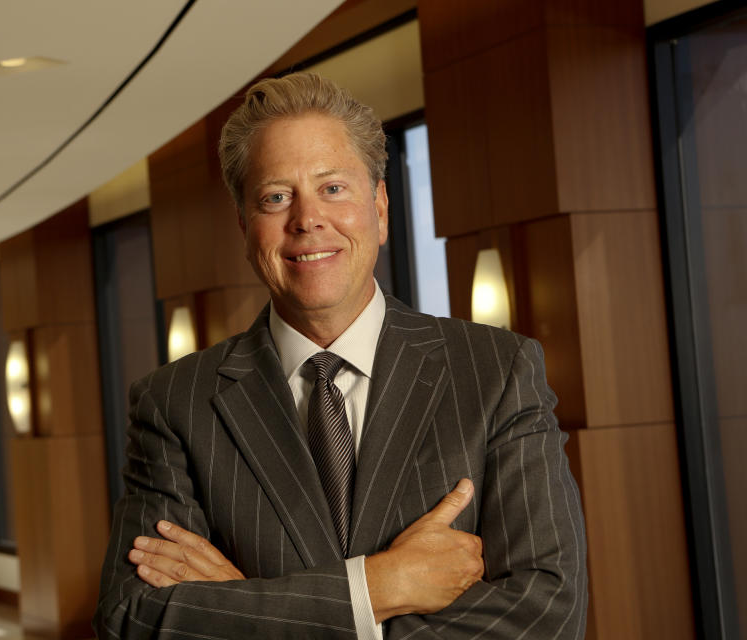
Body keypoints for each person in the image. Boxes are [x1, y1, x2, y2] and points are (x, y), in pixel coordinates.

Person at [93, 72, 587, 639]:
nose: (307, 220)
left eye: (333, 188)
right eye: (276, 197)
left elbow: (549, 610)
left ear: (379, 208)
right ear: (245, 226)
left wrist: (245, 603)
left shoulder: (496, 370)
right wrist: (378, 589)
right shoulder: (174, 403)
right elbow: (131, 619)